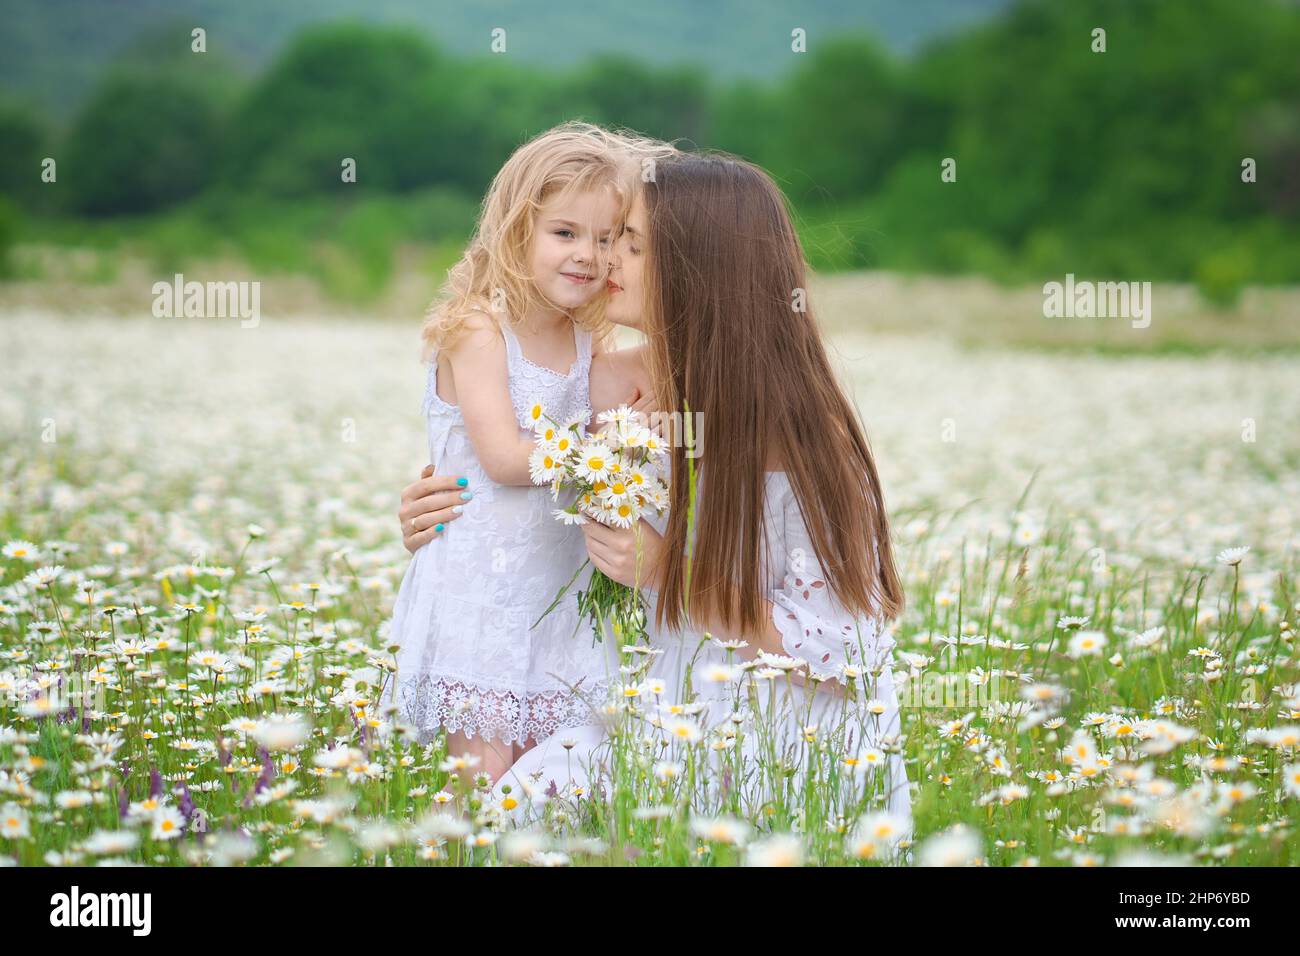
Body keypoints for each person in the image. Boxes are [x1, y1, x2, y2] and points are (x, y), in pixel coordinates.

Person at [398, 145, 913, 855]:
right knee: (497, 826)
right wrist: (446, 502)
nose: (605, 260)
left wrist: (671, 572)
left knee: (524, 827)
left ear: (697, 270)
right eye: (604, 239)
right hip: (649, 706)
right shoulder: (607, 385)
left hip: (779, 731)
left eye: (629, 244)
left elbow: (848, 647)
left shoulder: (798, 436)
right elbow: (514, 459)